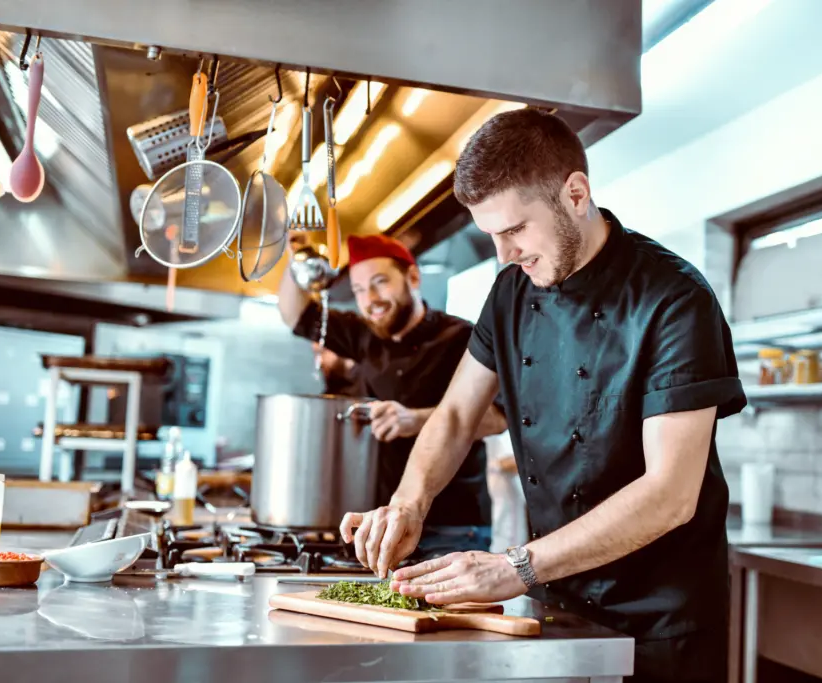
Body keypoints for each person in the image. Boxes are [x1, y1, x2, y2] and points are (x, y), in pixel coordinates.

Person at [339, 108, 746, 683]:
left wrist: (516, 567)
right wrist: (410, 503)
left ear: (575, 193)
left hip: (662, 619)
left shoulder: (674, 300)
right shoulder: (510, 291)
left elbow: (670, 493)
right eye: (491, 237)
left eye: (514, 231)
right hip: (558, 600)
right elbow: (456, 415)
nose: (504, 254)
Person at [278, 233, 508, 556]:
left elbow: (498, 418)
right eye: (359, 290)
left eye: (379, 282)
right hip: (379, 522)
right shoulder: (362, 336)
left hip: (453, 526)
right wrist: (298, 258)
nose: (369, 298)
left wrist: (414, 420)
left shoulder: (462, 337)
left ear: (412, 277)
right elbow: (294, 315)